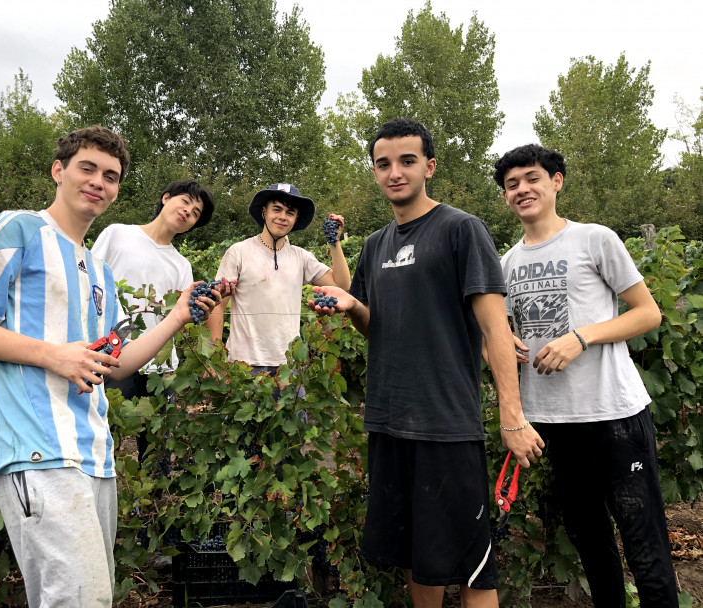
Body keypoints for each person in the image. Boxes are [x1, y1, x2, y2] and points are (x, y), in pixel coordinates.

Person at [0, 126, 219, 607]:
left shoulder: (99, 272)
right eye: (87, 168)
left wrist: (177, 315)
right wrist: (54, 354)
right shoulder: (18, 228)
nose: (98, 182)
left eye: (111, 176)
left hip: (94, 454)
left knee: (92, 595)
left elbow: (117, 363)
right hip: (36, 446)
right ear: (58, 170)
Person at [310, 118, 543, 608]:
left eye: (407, 161)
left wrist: (512, 415)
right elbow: (381, 329)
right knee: (420, 554)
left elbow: (495, 329)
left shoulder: (461, 230)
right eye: (384, 163)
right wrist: (354, 307)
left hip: (446, 426)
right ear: (375, 172)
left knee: (474, 567)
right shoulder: (375, 245)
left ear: (429, 167)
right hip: (390, 422)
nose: (395, 172)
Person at [493, 143, 677, 607]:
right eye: (511, 184)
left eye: (532, 178)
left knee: (644, 544)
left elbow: (647, 313)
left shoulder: (595, 239)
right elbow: (497, 333)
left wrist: (581, 337)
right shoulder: (506, 264)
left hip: (614, 416)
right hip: (556, 422)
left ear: (556, 182)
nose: (522, 189)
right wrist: (505, 343)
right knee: (591, 544)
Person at [92, 180, 227, 462]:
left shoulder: (181, 265)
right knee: (104, 439)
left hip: (160, 366)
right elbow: (89, 286)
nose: (189, 211)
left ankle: (151, 503)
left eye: (196, 212)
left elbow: (184, 316)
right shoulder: (118, 234)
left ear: (193, 225)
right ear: (166, 198)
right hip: (114, 356)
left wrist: (215, 301)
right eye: (186, 201)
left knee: (155, 449)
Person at [206, 183, 350, 376]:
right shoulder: (239, 252)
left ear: (295, 218)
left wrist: (335, 242)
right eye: (277, 209)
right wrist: (215, 355)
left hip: (289, 366)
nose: (283, 217)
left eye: (290, 212)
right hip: (243, 364)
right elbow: (217, 304)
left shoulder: (301, 257)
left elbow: (341, 286)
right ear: (264, 212)